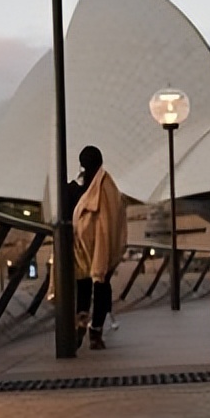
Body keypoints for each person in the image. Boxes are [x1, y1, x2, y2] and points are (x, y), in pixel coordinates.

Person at [73, 145, 127, 351]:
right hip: (101, 249)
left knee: (85, 287)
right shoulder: (107, 186)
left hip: (86, 249)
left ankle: (82, 324)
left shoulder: (92, 188)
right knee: (101, 287)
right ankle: (95, 331)